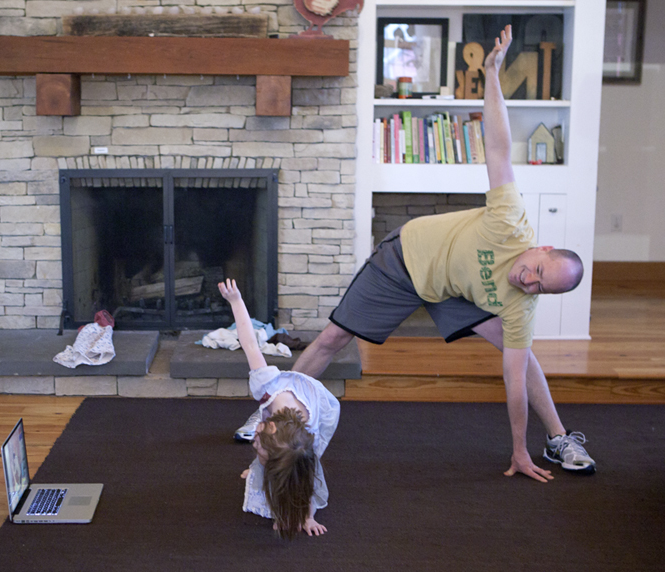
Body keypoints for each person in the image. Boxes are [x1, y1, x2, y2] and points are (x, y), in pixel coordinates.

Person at [235, 25, 595, 482]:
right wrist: (491, 75)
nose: (530, 280)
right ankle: (270, 413)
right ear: (540, 248)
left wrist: (518, 450)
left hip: (451, 290)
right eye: (537, 269)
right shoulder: (511, 221)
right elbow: (500, 146)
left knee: (519, 353)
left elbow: (512, 379)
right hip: (405, 261)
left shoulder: (521, 304)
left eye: (542, 286)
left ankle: (557, 438)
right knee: (332, 339)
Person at [219, 278, 340, 538]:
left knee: (297, 463)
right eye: (258, 445)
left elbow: (305, 476)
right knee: (277, 456)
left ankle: (297, 500)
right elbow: (250, 343)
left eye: (258, 448)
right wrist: (236, 300)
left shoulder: (307, 438)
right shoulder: (267, 385)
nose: (253, 444)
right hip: (291, 401)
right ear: (269, 425)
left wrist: (306, 517)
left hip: (320, 409)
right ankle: (259, 468)